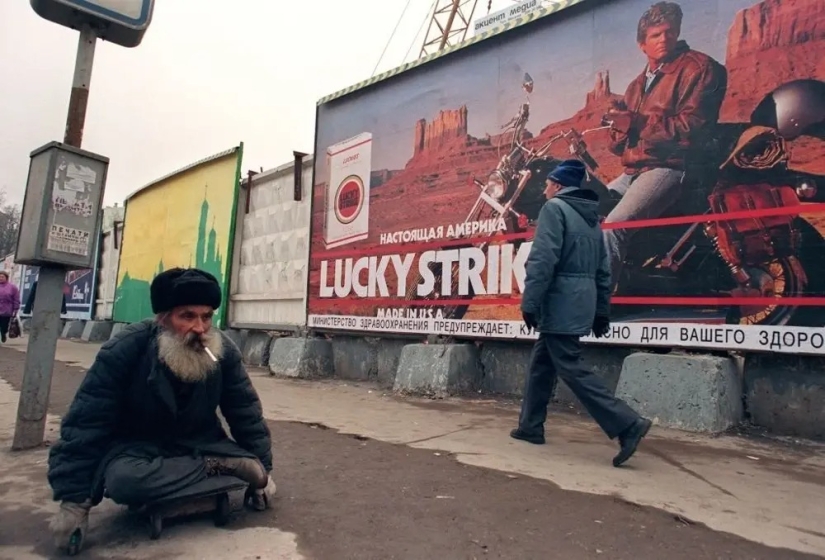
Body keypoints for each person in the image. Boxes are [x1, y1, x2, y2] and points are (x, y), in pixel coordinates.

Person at [47, 267, 275, 551]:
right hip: (139, 449)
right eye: (187, 316)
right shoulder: (125, 349)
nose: (200, 329)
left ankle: (225, 467)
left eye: (206, 317)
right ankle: (221, 469)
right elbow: (86, 423)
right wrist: (75, 503)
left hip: (202, 442)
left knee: (252, 471)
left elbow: (244, 410)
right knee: (122, 482)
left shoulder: (221, 350)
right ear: (164, 318)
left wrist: (263, 472)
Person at [510, 159, 652, 467]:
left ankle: (627, 424)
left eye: (548, 183)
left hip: (560, 301)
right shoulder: (591, 218)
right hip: (581, 301)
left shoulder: (554, 210)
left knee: (570, 366)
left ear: (558, 186)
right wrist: (601, 311)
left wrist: (530, 302)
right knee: (541, 364)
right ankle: (530, 427)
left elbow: (542, 260)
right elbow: (604, 270)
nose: (544, 188)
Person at [603, 1, 727, 290]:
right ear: (641, 44)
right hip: (635, 170)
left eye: (669, 32)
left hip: (671, 167)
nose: (664, 39)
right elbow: (621, 148)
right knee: (585, 211)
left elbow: (694, 127)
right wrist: (617, 128)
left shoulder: (699, 67)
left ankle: (596, 308)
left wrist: (636, 123)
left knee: (613, 226)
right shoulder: (636, 85)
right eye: (656, 35)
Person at [0, 271, 21, 343]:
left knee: (4, 325)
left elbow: (16, 298)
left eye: (2, 277)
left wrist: (16, 308)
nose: (0, 278)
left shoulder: (12, 287)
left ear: (6, 278)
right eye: (0, 277)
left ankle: (3, 333)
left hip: (7, 310)